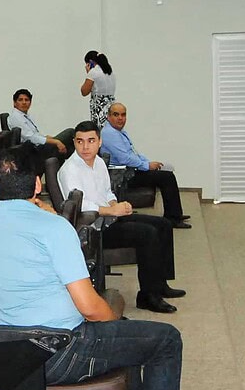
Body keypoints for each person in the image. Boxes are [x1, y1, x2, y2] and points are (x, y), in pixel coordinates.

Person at [0, 145, 210, 390]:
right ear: (39, 185)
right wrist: (110, 319)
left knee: (128, 336)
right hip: (59, 351)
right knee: (163, 339)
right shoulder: (53, 229)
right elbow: (90, 308)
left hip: (10, 355)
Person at [58, 121, 185, 313]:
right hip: (92, 229)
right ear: (74, 142)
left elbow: (107, 192)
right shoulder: (69, 170)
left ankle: (160, 284)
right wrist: (111, 211)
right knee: (147, 233)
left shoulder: (98, 163)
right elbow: (79, 205)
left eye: (91, 141)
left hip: (108, 218)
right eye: (80, 141)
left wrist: (116, 204)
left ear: (99, 142)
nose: (85, 147)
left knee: (163, 225)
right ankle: (148, 296)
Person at [102, 102, 190, 228]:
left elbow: (133, 153)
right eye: (116, 115)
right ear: (108, 116)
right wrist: (147, 166)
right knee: (166, 177)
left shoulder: (119, 132)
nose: (120, 118)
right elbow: (124, 158)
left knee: (166, 172)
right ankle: (173, 218)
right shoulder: (109, 133)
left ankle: (174, 214)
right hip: (121, 176)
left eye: (123, 115)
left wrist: (147, 162)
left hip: (128, 170)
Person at [7, 88, 72, 159]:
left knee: (70, 147)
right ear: (14, 103)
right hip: (35, 150)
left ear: (30, 103)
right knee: (70, 132)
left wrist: (45, 137)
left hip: (38, 146)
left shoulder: (25, 116)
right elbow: (31, 138)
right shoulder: (16, 117)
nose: (24, 102)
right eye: (20, 100)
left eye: (26, 100)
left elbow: (34, 134)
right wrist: (56, 141)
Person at [81, 50, 116, 127]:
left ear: (90, 62)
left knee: (99, 129)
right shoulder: (110, 71)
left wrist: (88, 73)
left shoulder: (93, 72)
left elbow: (84, 92)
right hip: (111, 105)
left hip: (99, 107)